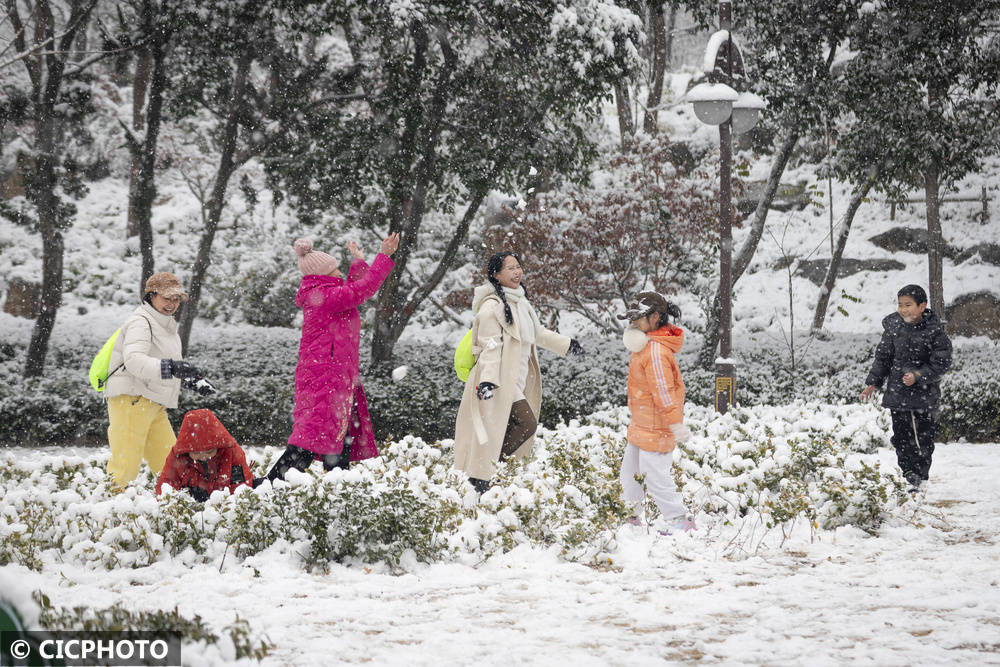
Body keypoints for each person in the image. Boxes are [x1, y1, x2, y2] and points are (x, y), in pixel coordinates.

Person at [261, 233, 399, 483]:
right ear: (322, 276)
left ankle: (339, 485)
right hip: (325, 378)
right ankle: (270, 486)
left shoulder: (327, 295)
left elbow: (352, 290)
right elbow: (360, 291)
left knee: (336, 434)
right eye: (335, 269)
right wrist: (384, 256)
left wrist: (358, 261)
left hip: (332, 376)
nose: (339, 273)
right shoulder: (324, 298)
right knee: (309, 440)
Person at [453, 251, 583, 493]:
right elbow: (489, 347)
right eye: (510, 268)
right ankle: (487, 472)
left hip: (516, 380)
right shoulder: (491, 308)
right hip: (499, 381)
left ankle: (485, 476)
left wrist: (566, 344)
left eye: (518, 266)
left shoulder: (521, 303)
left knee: (503, 430)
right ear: (496, 275)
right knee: (526, 423)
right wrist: (488, 382)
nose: (517, 271)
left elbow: (538, 333)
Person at [104, 272, 215, 491]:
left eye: (176, 299)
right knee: (124, 468)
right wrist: (171, 367)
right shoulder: (141, 322)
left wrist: (191, 379)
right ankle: (108, 515)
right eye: (166, 298)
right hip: (132, 400)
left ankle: (174, 514)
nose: (172, 304)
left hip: (153, 403)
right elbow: (134, 360)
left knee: (171, 466)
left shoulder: (165, 325)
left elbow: (166, 365)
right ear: (151, 296)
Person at [860, 284, 952, 492]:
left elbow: (941, 362)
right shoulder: (894, 328)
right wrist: (873, 383)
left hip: (924, 395)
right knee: (901, 436)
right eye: (900, 305)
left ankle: (920, 475)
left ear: (922, 306)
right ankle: (908, 473)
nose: (903, 309)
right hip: (898, 392)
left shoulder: (934, 331)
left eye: (908, 305)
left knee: (922, 438)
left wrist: (919, 375)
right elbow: (883, 358)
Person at [618, 291, 696, 535]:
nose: (633, 324)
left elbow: (664, 391)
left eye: (638, 318)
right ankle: (629, 517)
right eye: (631, 319)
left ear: (655, 317)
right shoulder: (645, 346)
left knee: (655, 477)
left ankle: (680, 521)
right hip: (642, 424)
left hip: (658, 425)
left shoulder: (655, 351)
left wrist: (674, 423)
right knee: (630, 473)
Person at [156, 409, 252, 501]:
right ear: (186, 451)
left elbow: (241, 489)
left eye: (209, 451)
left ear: (218, 446)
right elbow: (166, 488)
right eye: (196, 453)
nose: (203, 457)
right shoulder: (177, 455)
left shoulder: (232, 451)